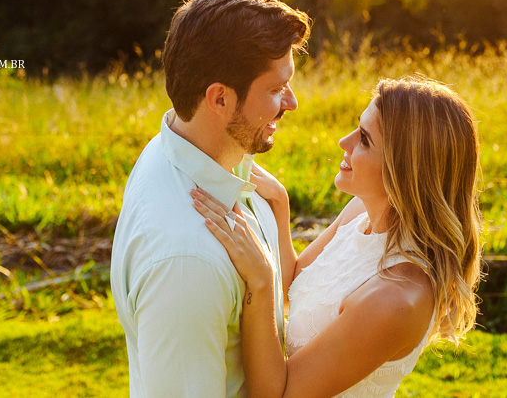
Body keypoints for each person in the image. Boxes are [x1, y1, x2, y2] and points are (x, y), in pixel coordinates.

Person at [192, 76, 483, 398]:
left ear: (405, 170)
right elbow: (293, 284)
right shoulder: (361, 211)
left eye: (365, 140)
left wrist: (261, 281)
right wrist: (279, 202)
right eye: (356, 127)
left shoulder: (396, 297)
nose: (345, 142)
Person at [110, 0, 311, 397]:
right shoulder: (187, 263)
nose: (291, 103)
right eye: (275, 89)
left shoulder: (186, 150)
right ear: (219, 98)